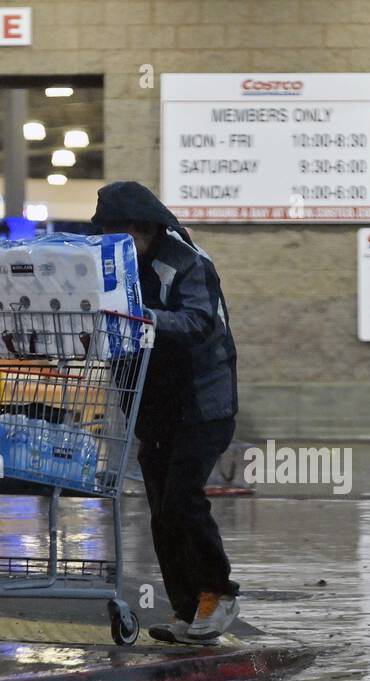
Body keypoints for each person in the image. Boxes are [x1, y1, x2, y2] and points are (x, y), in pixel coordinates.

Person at [90, 181, 241, 644]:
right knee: (160, 510)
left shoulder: (188, 264)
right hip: (151, 403)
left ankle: (219, 593)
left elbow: (200, 323)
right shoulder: (115, 267)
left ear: (143, 228)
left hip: (202, 404)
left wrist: (143, 318)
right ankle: (188, 609)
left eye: (121, 233)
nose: (114, 243)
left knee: (181, 500)